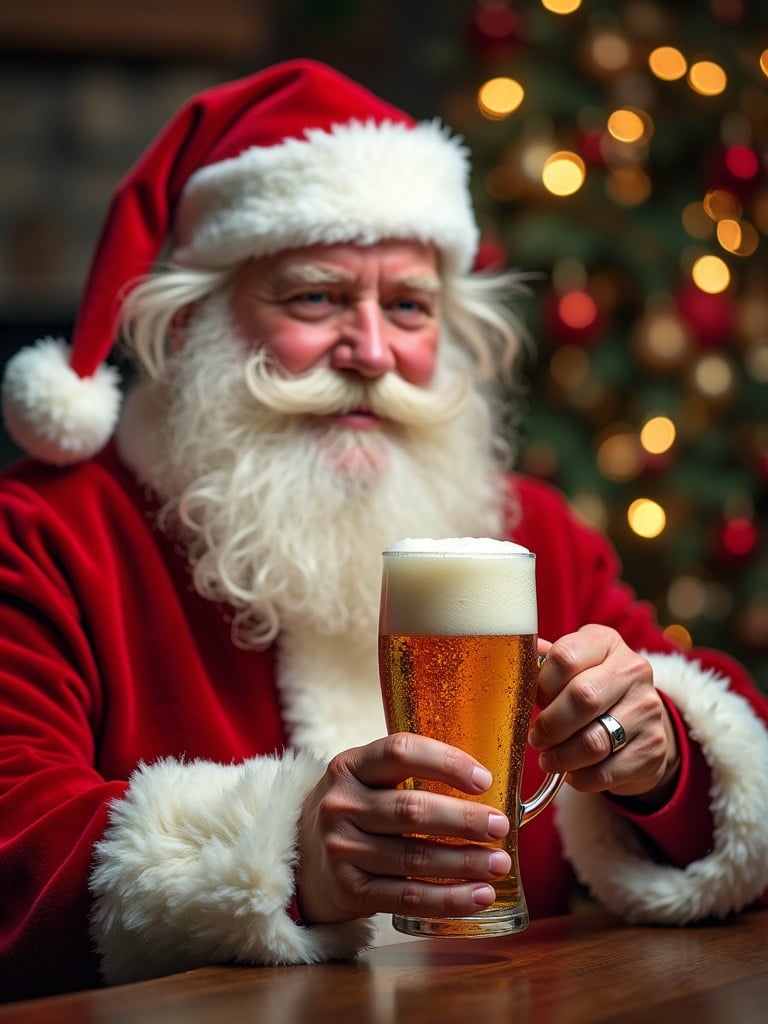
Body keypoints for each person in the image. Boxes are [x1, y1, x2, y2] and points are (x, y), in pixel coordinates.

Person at [0, 59, 766, 1003]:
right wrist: (282, 861)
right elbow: (11, 841)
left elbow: (740, 789)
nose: (370, 352)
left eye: (407, 306)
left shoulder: (527, 534)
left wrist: (662, 764)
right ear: (200, 319)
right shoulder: (45, 531)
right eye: (315, 297)